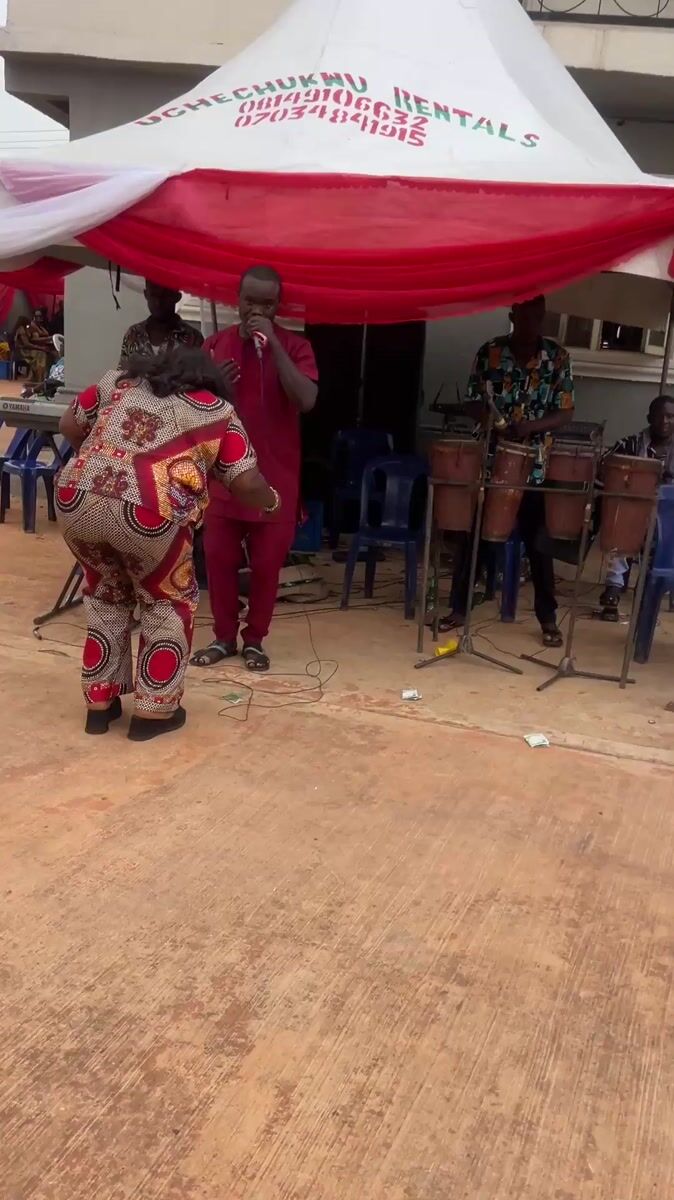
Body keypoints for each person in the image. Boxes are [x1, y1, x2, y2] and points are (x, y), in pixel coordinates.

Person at [56, 346, 278, 740]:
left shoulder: (117, 382)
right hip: (149, 511)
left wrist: (99, 471)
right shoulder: (216, 410)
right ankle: (153, 712)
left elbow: (68, 425)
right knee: (166, 601)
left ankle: (99, 705)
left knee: (106, 594)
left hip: (76, 498)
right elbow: (246, 482)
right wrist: (272, 501)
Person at [192, 265, 318, 672]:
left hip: (275, 481)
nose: (257, 310)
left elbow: (307, 400)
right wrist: (212, 384)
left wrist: (274, 346)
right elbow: (189, 410)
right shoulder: (215, 346)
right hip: (224, 480)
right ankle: (223, 637)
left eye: (267, 304)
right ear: (238, 299)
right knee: (218, 560)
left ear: (278, 306)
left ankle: (255, 640)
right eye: (250, 301)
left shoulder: (297, 347)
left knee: (266, 566)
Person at [442, 294, 575, 647]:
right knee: (474, 538)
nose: (531, 322)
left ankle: (548, 618)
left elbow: (565, 412)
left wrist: (529, 428)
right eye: (525, 315)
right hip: (490, 460)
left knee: (539, 545)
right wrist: (494, 422)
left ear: (543, 317)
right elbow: (472, 400)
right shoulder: (490, 352)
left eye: (537, 316)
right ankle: (459, 609)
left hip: (534, 466)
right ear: (513, 315)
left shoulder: (557, 357)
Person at [599, 394, 674, 619]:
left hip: (668, 514)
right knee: (623, 518)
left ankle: (655, 589)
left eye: (670, 416)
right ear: (649, 418)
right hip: (634, 512)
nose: (665, 421)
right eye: (660, 416)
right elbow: (604, 468)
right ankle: (614, 587)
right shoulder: (630, 444)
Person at [119, 281, 203, 363]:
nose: (158, 302)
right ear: (146, 294)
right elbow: (122, 368)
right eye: (153, 295)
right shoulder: (133, 333)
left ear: (177, 297)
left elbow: (201, 371)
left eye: (165, 296)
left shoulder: (193, 338)